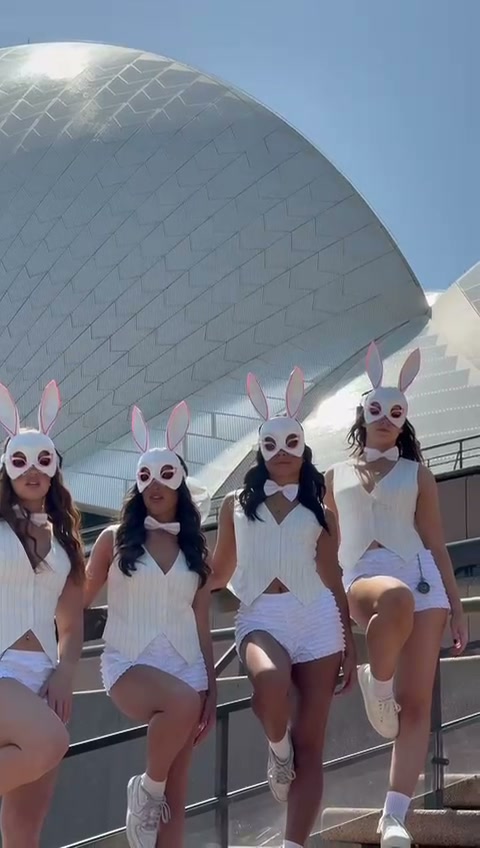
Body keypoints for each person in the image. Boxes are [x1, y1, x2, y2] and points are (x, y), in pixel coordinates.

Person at [325, 341, 468, 848]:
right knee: (394, 600)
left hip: (422, 578)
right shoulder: (334, 476)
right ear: (362, 415)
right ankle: (377, 682)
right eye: (376, 410)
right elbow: (325, 550)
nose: (385, 419)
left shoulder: (418, 475)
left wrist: (456, 607)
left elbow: (436, 542)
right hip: (364, 577)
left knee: (417, 703)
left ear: (404, 419)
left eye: (395, 412)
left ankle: (394, 816)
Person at [212, 368, 356, 848]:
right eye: (271, 445)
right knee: (270, 683)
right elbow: (218, 571)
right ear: (260, 449)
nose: (281, 453)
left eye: (291, 443)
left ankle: (293, 843)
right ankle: (278, 750)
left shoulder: (322, 511)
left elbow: (333, 577)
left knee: (312, 746)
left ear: (304, 447)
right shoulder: (235, 504)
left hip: (318, 621)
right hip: (261, 617)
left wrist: (349, 643)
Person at [85, 400, 215, 848]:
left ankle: (153, 796)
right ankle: (145, 788)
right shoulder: (114, 539)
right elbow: (79, 597)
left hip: (186, 667)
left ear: (181, 482)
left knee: (175, 800)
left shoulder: (195, 547)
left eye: (166, 475)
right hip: (129, 661)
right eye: (146, 476)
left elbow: (201, 619)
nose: (155, 485)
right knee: (177, 715)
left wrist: (211, 689)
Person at [0, 380, 85, 848]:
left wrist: (66, 673)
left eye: (42, 461)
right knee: (52, 742)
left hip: (44, 680)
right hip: (1, 672)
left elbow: (71, 624)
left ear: (54, 469)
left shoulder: (67, 542)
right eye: (20, 461)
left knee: (23, 828)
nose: (32, 471)